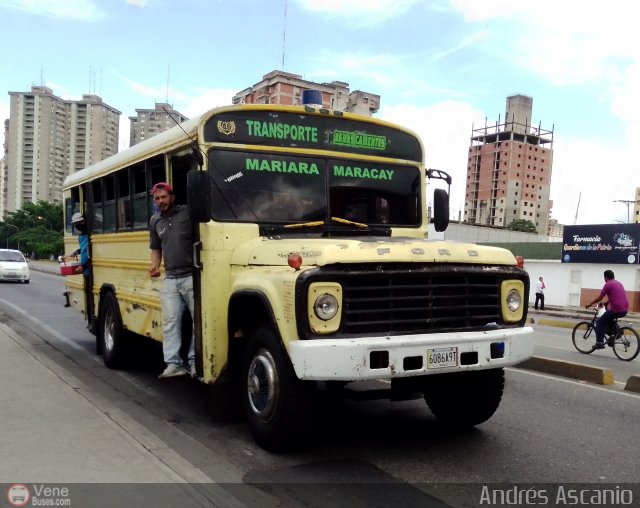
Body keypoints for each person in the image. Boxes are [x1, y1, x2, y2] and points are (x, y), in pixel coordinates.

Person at [149, 182, 196, 378]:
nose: (161, 201)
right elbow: (156, 248)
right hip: (170, 278)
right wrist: (154, 266)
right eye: (157, 199)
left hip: (192, 276)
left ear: (172, 197)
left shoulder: (188, 213)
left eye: (164, 197)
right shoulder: (155, 221)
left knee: (198, 321)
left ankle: (195, 361)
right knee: (170, 322)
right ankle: (173, 364)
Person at [586, 270, 629, 349]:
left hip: (617, 309)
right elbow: (616, 296)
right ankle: (616, 334)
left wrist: (590, 303)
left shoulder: (608, 284)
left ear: (605, 277)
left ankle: (599, 343)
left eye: (604, 277)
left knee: (599, 323)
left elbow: (600, 297)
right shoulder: (619, 283)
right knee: (608, 318)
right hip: (625, 309)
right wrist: (606, 303)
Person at [70, 213, 94, 332]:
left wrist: (83, 266)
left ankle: (91, 321)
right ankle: (90, 320)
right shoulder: (82, 236)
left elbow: (89, 254)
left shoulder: (90, 234)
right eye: (76, 224)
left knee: (90, 297)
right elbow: (85, 251)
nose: (78, 225)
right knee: (88, 296)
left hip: (89, 270)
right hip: (86, 271)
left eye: (80, 223)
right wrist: (77, 251)